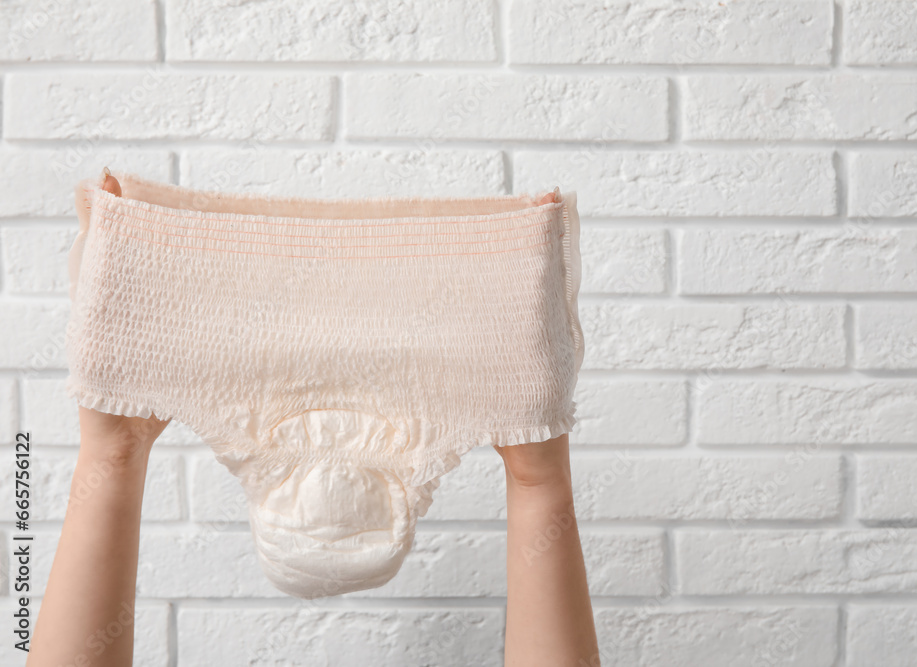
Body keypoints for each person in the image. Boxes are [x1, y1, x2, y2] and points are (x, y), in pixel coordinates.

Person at [26, 170, 601, 666]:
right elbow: (537, 476)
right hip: (462, 327)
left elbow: (115, 445)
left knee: (115, 452)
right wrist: (540, 477)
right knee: (535, 479)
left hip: (247, 329)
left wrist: (112, 449)